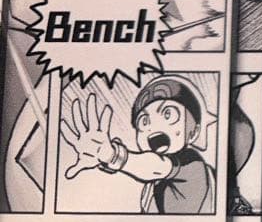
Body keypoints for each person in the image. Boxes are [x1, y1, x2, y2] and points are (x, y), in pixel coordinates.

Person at [59, 76, 216, 214]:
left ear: (194, 132)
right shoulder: (151, 188)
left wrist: (113, 155)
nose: (153, 127)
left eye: (168, 114)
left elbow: (156, 166)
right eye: (144, 121)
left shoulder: (191, 163)